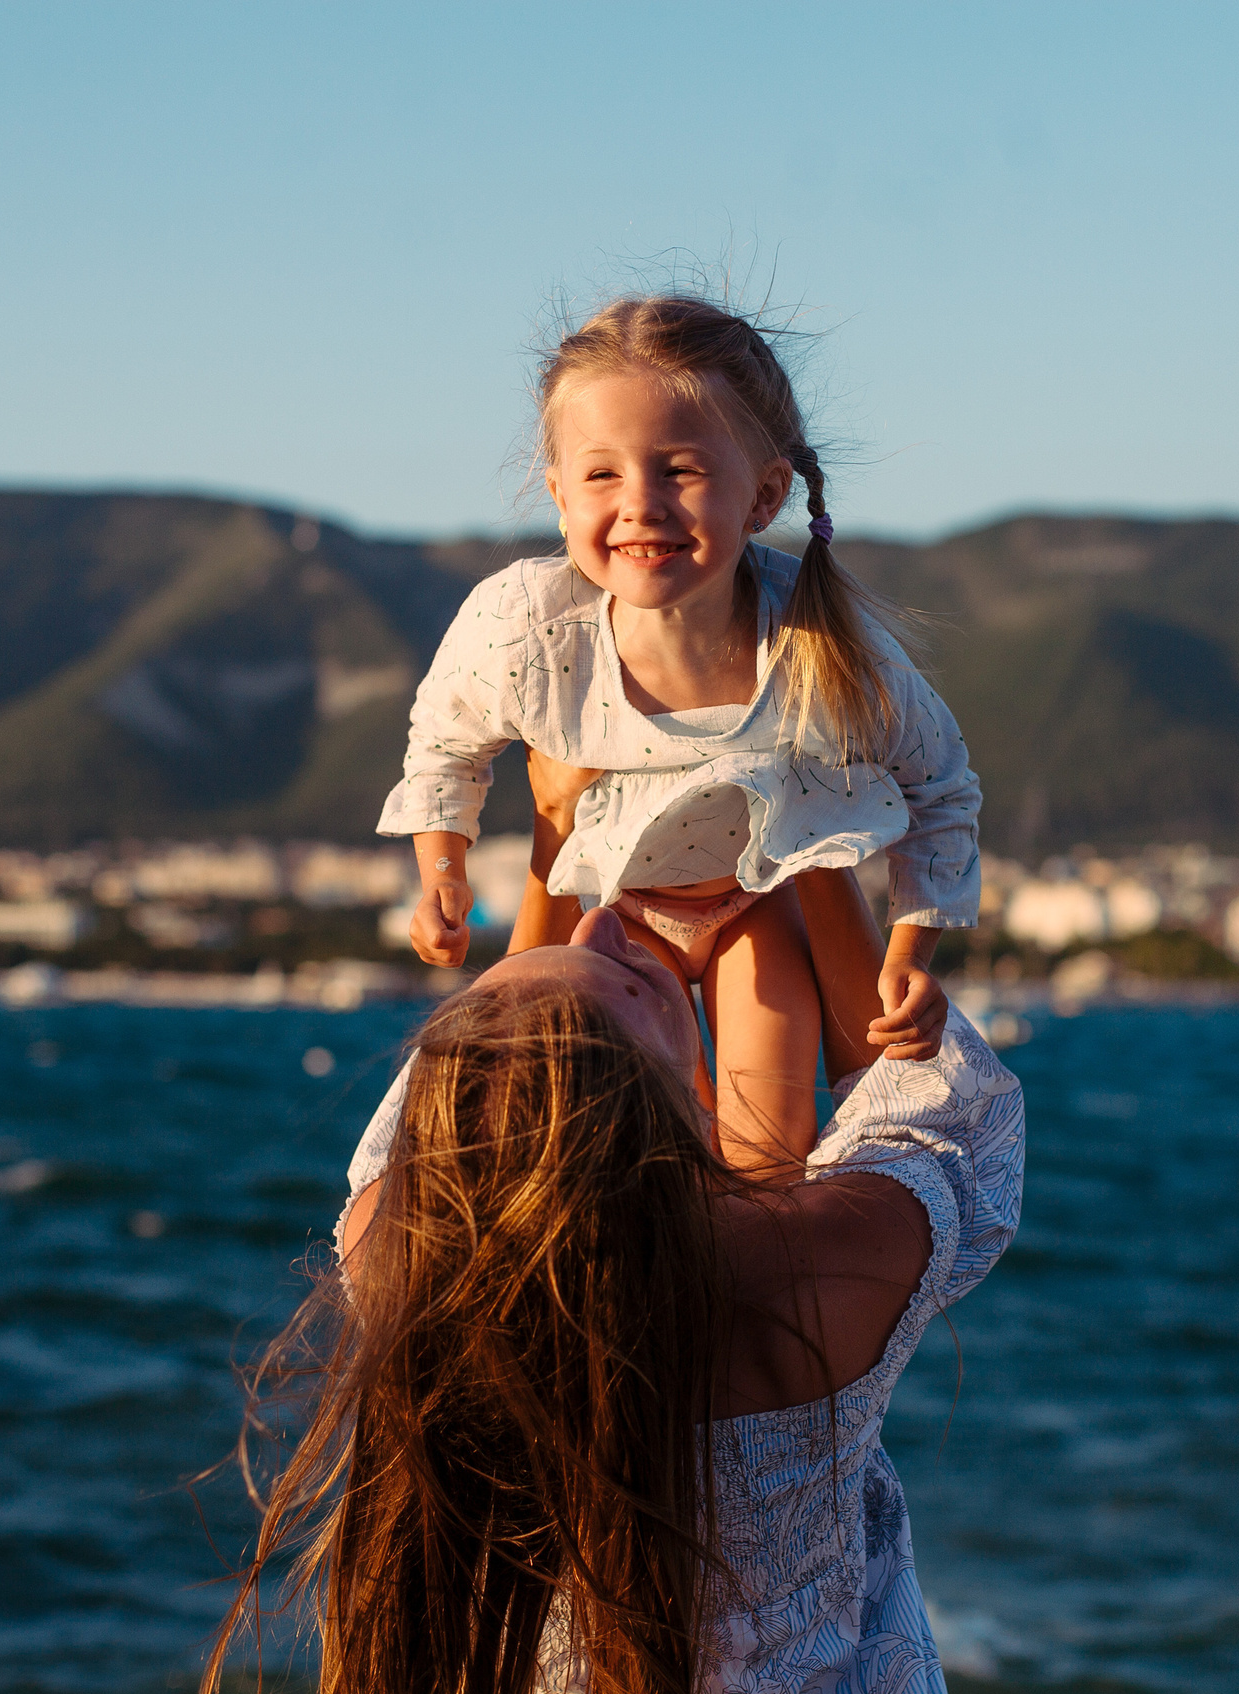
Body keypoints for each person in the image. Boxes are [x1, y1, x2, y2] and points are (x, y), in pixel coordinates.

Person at [201, 775, 1025, 1694]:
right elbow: (942, 1114)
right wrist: (813, 840)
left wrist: (560, 834)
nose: (599, 924)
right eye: (633, 980)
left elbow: (482, 1092)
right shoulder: (804, 1278)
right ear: (664, 1130)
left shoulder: (400, 1259)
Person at [377, 294, 984, 1160]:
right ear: (557, 496)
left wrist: (912, 948)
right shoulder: (528, 629)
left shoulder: (817, 643)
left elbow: (941, 785)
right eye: (602, 475)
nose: (640, 504)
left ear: (763, 492)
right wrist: (441, 869)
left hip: (756, 908)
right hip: (617, 920)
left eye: (680, 470)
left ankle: (757, 1274)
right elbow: (446, 740)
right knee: (627, 1150)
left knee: (768, 1151)